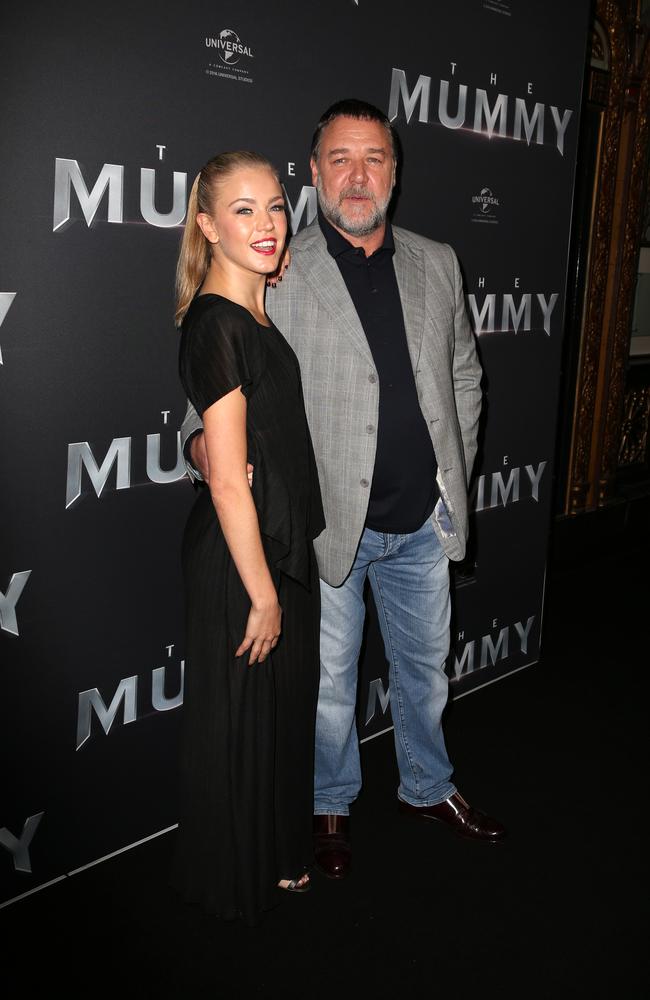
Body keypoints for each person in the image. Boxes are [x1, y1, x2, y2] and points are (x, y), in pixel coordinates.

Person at [182, 101, 505, 881]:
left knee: (427, 670)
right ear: (316, 172)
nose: (357, 175)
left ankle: (427, 786)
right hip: (329, 530)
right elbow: (207, 403)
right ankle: (330, 801)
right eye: (339, 159)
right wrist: (203, 451)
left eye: (374, 158)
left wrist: (444, 471)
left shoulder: (439, 261)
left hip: (420, 521)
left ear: (396, 172)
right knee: (329, 686)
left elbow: (464, 372)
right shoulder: (279, 263)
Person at [171, 151, 324, 924]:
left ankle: (278, 858)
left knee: (278, 720)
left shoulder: (251, 307)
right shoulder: (216, 321)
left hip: (277, 548)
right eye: (242, 210)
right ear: (206, 224)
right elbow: (228, 477)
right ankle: (235, 880)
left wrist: (270, 269)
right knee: (241, 724)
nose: (265, 224)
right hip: (243, 561)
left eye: (274, 207)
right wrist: (262, 593)